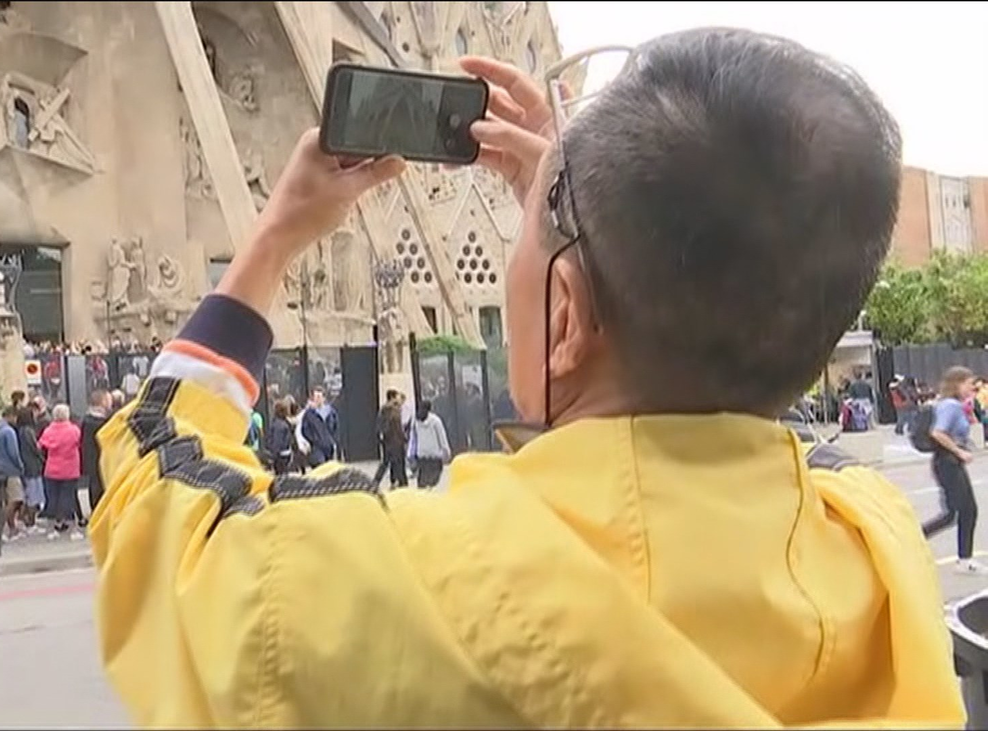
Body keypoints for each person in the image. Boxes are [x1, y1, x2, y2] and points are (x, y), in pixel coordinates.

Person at [87, 32, 962, 726]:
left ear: (564, 320)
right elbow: (734, 374)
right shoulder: (875, 543)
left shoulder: (360, 581)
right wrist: (592, 225)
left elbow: (160, 499)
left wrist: (271, 240)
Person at [922, 366, 982, 574]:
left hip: (950, 462)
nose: (972, 387)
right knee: (959, 512)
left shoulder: (954, 405)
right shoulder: (950, 406)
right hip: (948, 462)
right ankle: (918, 537)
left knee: (962, 511)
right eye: (968, 383)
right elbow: (938, 433)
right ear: (957, 384)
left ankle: (964, 559)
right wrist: (959, 451)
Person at [38, 404, 82, 539]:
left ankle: (53, 528)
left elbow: (40, 445)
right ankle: (72, 529)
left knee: (53, 499)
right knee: (69, 498)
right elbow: (79, 443)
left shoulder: (48, 431)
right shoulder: (74, 430)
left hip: (52, 469)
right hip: (70, 469)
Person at [0, 406, 25, 541]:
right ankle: (1, 528)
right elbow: (13, 452)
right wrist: (20, 466)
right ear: (10, 416)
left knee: (6, 499)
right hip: (11, 468)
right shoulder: (9, 432)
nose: (16, 420)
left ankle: (12, 528)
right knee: (16, 499)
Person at [80, 390, 111, 511]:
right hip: (98, 457)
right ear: (102, 401)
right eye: (108, 400)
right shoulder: (99, 422)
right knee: (98, 485)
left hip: (91, 457)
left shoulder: (87, 420)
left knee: (94, 484)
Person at [16, 408, 46, 530]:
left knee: (28, 494)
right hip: (32, 466)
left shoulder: (20, 431)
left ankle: (24, 518)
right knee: (34, 495)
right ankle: (31, 522)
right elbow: (35, 447)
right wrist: (41, 456)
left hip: (26, 465)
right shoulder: (28, 431)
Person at [408, 400, 450, 488]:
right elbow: (442, 437)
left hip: (421, 455)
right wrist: (446, 452)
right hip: (434, 455)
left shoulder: (415, 420)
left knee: (422, 482)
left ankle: (423, 499)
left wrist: (411, 454)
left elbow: (413, 439)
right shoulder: (436, 421)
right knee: (434, 482)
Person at [373, 390, 409, 488]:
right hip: (396, 440)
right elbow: (398, 427)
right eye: (397, 396)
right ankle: (402, 483)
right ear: (392, 397)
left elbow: (379, 425)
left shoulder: (383, 409)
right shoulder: (394, 410)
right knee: (399, 462)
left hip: (387, 440)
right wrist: (404, 438)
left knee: (386, 462)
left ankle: (377, 481)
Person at [298, 388, 337, 467]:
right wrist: (313, 440)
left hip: (328, 446)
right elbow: (304, 430)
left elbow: (335, 427)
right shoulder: (309, 414)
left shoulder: (331, 412)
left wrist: (332, 439)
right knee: (320, 467)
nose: (317, 399)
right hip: (316, 447)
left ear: (324, 398)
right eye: (315, 397)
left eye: (319, 396)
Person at [265, 397, 297, 475]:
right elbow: (280, 441)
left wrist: (272, 456)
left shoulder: (276, 424)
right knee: (283, 475)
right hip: (284, 454)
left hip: (279, 455)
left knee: (280, 475)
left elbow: (276, 441)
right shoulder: (284, 424)